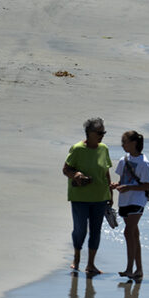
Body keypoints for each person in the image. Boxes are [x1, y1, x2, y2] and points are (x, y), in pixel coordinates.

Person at [62, 117, 112, 277]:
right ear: (89, 133)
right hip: (80, 197)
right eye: (99, 133)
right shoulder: (77, 149)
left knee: (96, 231)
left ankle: (91, 264)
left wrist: (110, 193)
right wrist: (76, 174)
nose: (102, 135)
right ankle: (76, 258)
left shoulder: (103, 148)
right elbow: (65, 170)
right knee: (80, 229)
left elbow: (106, 171)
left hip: (100, 197)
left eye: (103, 132)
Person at [112, 131, 149, 281]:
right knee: (134, 234)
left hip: (137, 200)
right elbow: (123, 180)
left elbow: (148, 185)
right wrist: (116, 185)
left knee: (128, 232)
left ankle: (129, 268)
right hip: (124, 200)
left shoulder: (144, 162)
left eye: (125, 141)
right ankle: (139, 269)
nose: (122, 144)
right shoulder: (123, 160)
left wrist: (129, 188)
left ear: (134, 143)